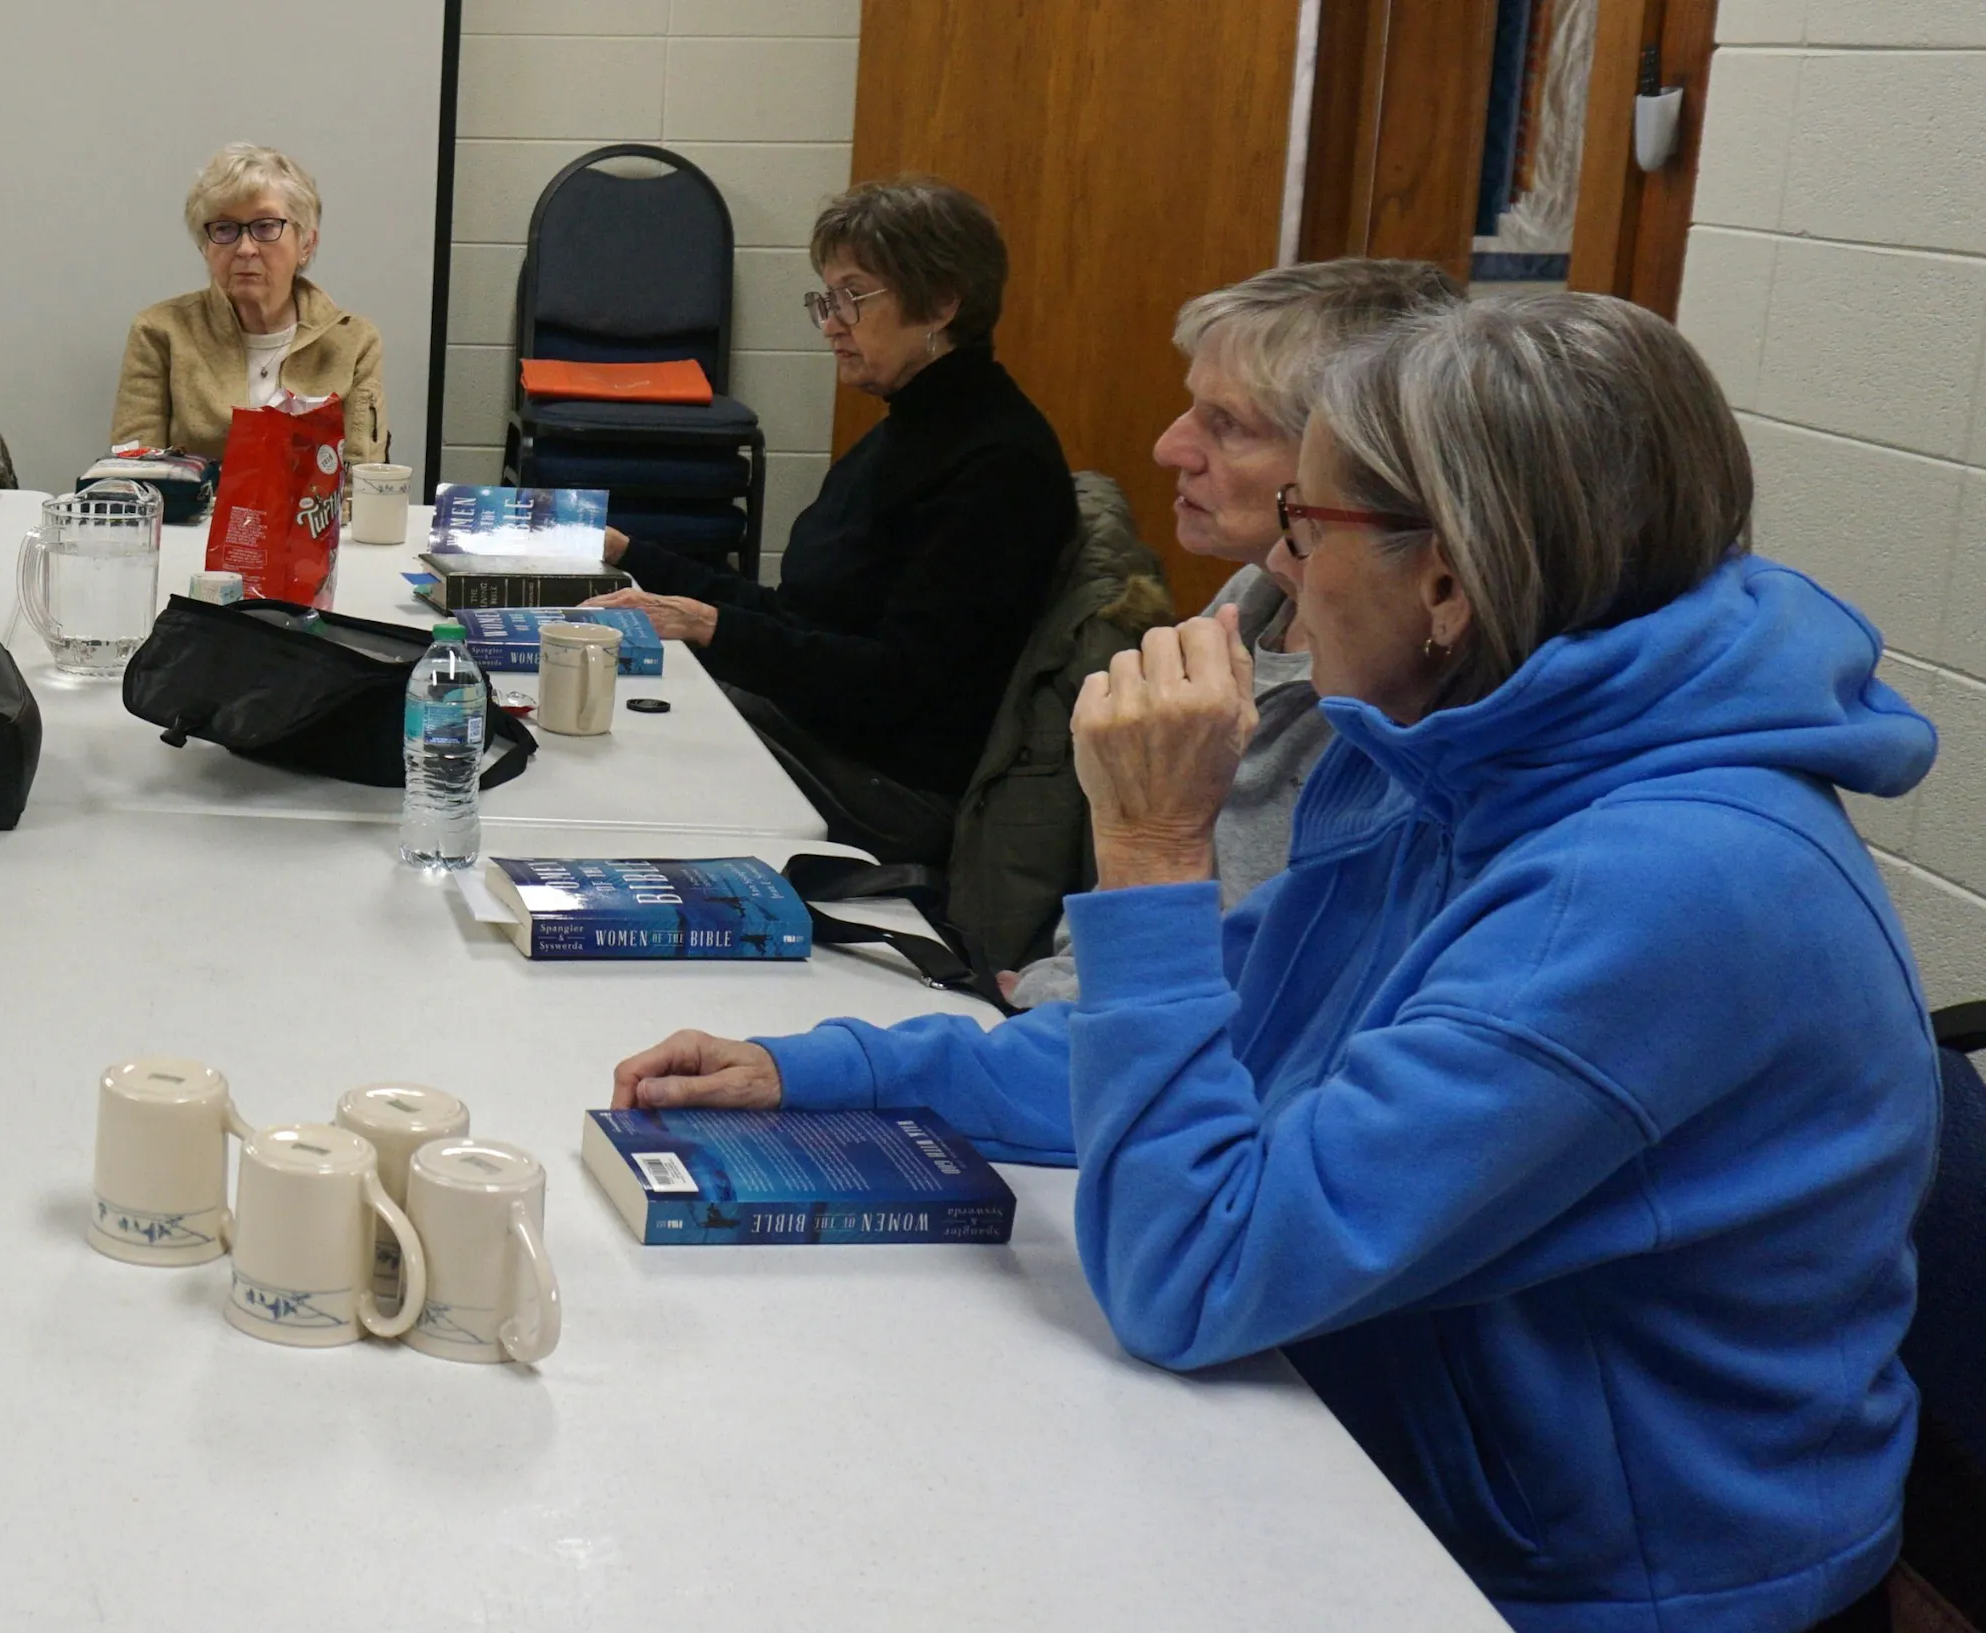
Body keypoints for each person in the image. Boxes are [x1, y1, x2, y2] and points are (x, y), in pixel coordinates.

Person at [611, 294, 1932, 1633]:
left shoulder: (1657, 889)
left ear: (1448, 582)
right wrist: (850, 1070)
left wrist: (1150, 848)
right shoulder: (1460, 753)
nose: (1282, 569)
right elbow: (1229, 1027)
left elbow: (1194, 1272)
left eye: (1307, 526)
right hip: (1410, 1468)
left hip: (1592, 1593)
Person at [1000, 257, 1457, 1007]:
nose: (1169, 448)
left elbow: (1259, 1008)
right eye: (1193, 410)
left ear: (1338, 459)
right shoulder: (1248, 607)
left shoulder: (1394, 686)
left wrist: (1063, 1017)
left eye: (1230, 425)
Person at [582, 176, 1071, 845]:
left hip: (889, 787)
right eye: (828, 298)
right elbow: (801, 618)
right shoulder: (912, 429)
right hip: (829, 739)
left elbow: (900, 685)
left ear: (943, 304)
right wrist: (628, 554)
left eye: (854, 297)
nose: (831, 322)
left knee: (616, 754)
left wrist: (707, 625)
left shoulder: (997, 464)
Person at [108, 143, 388, 467]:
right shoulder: (160, 332)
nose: (245, 248)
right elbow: (134, 477)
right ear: (204, 247)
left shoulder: (353, 342)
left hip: (314, 518)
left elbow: (361, 484)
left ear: (306, 243)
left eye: (265, 226)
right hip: (195, 518)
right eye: (224, 229)